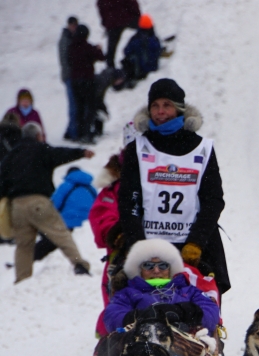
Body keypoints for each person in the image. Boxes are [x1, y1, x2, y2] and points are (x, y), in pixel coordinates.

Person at [118, 78, 229, 294]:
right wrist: (138, 244)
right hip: (149, 247)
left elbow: (213, 199)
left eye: (166, 105)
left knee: (200, 314)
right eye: (155, 106)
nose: (160, 111)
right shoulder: (137, 148)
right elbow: (128, 200)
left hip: (195, 246)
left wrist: (196, 242)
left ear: (178, 109)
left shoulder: (202, 148)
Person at [0, 122, 94, 282]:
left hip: (17, 205)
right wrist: (81, 152)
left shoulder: (11, 155)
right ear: (38, 136)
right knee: (60, 233)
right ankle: (80, 265)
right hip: (38, 202)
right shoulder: (41, 149)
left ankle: (22, 279)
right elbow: (61, 153)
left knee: (24, 245)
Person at [103, 239, 219, 334]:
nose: (156, 270)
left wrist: (184, 312)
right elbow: (112, 317)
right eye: (149, 266)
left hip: (186, 349)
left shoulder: (187, 290)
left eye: (163, 265)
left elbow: (211, 312)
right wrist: (139, 317)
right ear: (139, 269)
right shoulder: (128, 293)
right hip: (143, 347)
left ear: (171, 268)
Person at [90, 153, 124, 335]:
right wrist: (117, 234)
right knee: (117, 305)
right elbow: (102, 218)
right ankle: (108, 347)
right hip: (122, 256)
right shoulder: (113, 189)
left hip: (166, 250)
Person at [34, 166, 97, 262]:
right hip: (88, 224)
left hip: (67, 223)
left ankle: (30, 258)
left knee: (48, 240)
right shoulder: (92, 189)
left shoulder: (65, 186)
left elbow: (54, 205)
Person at [68, 24, 105, 143]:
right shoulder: (87, 47)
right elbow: (101, 57)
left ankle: (78, 134)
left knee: (79, 108)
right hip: (87, 81)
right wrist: (98, 49)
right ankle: (87, 134)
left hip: (74, 81)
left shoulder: (71, 47)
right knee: (90, 107)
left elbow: (69, 61)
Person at [97, 0, 141, 68]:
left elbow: (101, 7)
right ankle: (151, 46)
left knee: (111, 46)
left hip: (112, 22)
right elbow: (132, 3)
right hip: (126, 17)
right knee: (145, 28)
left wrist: (105, 22)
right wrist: (138, 15)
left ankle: (110, 66)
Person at [121, 14, 162, 84]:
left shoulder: (136, 39)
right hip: (153, 67)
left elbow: (126, 51)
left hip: (140, 71)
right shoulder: (155, 39)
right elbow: (159, 51)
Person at [59, 17, 79, 140]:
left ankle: (70, 131)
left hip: (73, 76)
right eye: (72, 25)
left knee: (75, 105)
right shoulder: (65, 39)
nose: (74, 27)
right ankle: (72, 132)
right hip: (70, 77)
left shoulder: (70, 38)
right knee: (73, 105)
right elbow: (64, 60)